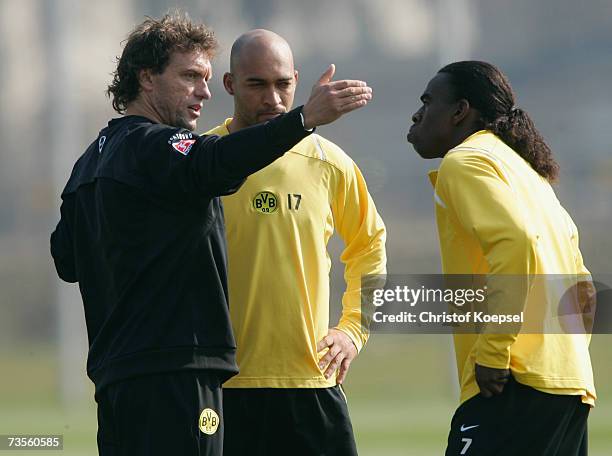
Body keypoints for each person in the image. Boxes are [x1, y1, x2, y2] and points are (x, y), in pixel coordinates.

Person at [49, 12, 372, 456]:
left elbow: (66, 260)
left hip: (118, 381)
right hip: (176, 376)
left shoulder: (89, 165)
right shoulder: (158, 146)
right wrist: (303, 120)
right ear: (146, 78)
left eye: (204, 78)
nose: (202, 92)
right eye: (189, 77)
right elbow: (213, 163)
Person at [204, 30, 386, 455]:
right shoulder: (206, 159)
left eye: (283, 84)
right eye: (257, 85)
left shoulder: (329, 163)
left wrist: (353, 330)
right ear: (230, 85)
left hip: (311, 382)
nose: (273, 99)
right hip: (223, 386)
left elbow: (369, 244)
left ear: (296, 82)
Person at [407, 61, 595, 455]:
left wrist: (494, 351)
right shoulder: (527, 172)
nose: (417, 113)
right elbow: (583, 286)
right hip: (567, 384)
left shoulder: (466, 160)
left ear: (460, 111)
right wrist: (564, 353)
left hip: (512, 382)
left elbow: (516, 242)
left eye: (428, 101)